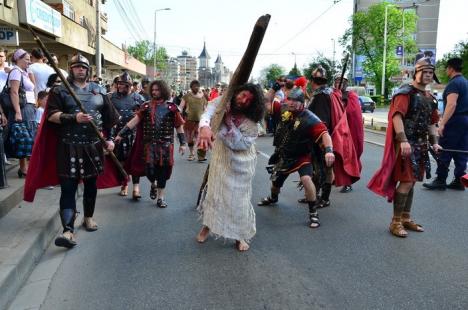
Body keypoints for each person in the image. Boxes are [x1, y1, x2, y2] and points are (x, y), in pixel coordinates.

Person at [24, 53, 120, 248]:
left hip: (93, 146)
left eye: (83, 67)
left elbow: (111, 119)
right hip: (68, 146)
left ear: (88, 70)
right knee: (68, 188)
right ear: (71, 69)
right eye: (76, 67)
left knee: (91, 185)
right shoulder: (60, 91)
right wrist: (73, 118)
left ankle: (88, 217)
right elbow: (51, 116)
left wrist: (109, 139)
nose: (80, 69)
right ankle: (68, 230)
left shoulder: (98, 90)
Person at [368, 57, 440, 238]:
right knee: (407, 181)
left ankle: (406, 218)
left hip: (421, 145)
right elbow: (397, 117)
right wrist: (403, 140)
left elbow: (432, 123)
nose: (428, 75)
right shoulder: (405, 93)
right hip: (407, 144)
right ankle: (395, 222)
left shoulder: (430, 98)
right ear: (416, 72)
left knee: (412, 181)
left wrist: (435, 142)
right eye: (425, 71)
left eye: (431, 72)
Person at [196, 83, 265, 252]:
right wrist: (205, 127)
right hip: (221, 159)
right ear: (236, 92)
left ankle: (239, 235)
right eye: (242, 95)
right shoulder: (223, 101)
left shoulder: (252, 123)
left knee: (238, 200)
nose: (243, 100)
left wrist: (226, 122)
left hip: (242, 163)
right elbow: (208, 113)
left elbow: (239, 144)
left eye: (248, 100)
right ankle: (207, 226)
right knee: (215, 193)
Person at [257, 88, 334, 228]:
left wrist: (329, 151)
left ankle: (313, 213)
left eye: (295, 101)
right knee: (275, 185)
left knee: (306, 179)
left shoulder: (310, 118)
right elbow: (267, 101)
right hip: (284, 155)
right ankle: (273, 198)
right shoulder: (283, 110)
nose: (291, 103)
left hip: (302, 156)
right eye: (289, 99)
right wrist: (275, 87)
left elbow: (325, 134)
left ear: (302, 102)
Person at [115, 80, 186, 208]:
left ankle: (161, 197)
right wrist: (121, 133)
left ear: (163, 90)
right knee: (149, 171)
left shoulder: (172, 108)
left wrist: (183, 143)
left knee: (163, 172)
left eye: (157, 90)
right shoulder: (146, 106)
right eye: (152, 90)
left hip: (165, 145)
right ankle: (153, 183)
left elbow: (179, 126)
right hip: (149, 145)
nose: (154, 92)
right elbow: (135, 121)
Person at [306, 66, 360, 208]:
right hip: (325, 136)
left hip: (322, 138)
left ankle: (323, 198)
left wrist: (321, 141)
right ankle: (315, 194)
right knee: (318, 168)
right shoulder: (329, 93)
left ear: (313, 81)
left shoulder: (323, 95)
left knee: (323, 169)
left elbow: (321, 120)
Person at [423, 57, 468, 191]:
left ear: (451, 69)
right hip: (465, 121)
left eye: (447, 68)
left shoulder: (454, 83)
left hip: (454, 121)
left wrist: (442, 123)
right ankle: (459, 180)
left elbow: (452, 104)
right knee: (461, 151)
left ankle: (441, 179)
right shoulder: (465, 82)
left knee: (445, 148)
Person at [110, 72, 145, 199]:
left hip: (134, 134)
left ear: (130, 86)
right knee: (121, 161)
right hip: (118, 134)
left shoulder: (139, 99)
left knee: (135, 161)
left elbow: (144, 117)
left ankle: (136, 188)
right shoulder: (111, 98)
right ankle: (124, 184)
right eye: (119, 84)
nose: (120, 87)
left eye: (124, 85)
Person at [7, 49, 37, 178]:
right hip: (23, 108)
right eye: (26, 59)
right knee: (24, 137)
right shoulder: (16, 72)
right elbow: (13, 92)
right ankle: (24, 168)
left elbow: (33, 86)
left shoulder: (23, 72)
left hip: (29, 107)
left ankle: (25, 168)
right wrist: (18, 112)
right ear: (18, 59)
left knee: (27, 136)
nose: (29, 62)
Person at [333, 74, 364, 193]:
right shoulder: (332, 95)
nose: (339, 83)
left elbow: (353, 113)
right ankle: (334, 178)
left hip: (348, 132)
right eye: (337, 81)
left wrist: (342, 104)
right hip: (335, 131)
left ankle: (348, 182)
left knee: (348, 157)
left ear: (346, 84)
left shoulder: (351, 96)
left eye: (342, 81)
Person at [179, 80, 208, 161]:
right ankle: (192, 153)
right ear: (191, 87)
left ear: (199, 87)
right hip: (189, 121)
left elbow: (205, 108)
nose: (195, 87)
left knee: (199, 138)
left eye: (197, 86)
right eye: (194, 86)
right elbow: (181, 107)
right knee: (190, 139)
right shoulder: (187, 96)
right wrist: (178, 114)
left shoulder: (202, 96)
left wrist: (206, 118)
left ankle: (200, 156)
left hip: (200, 121)